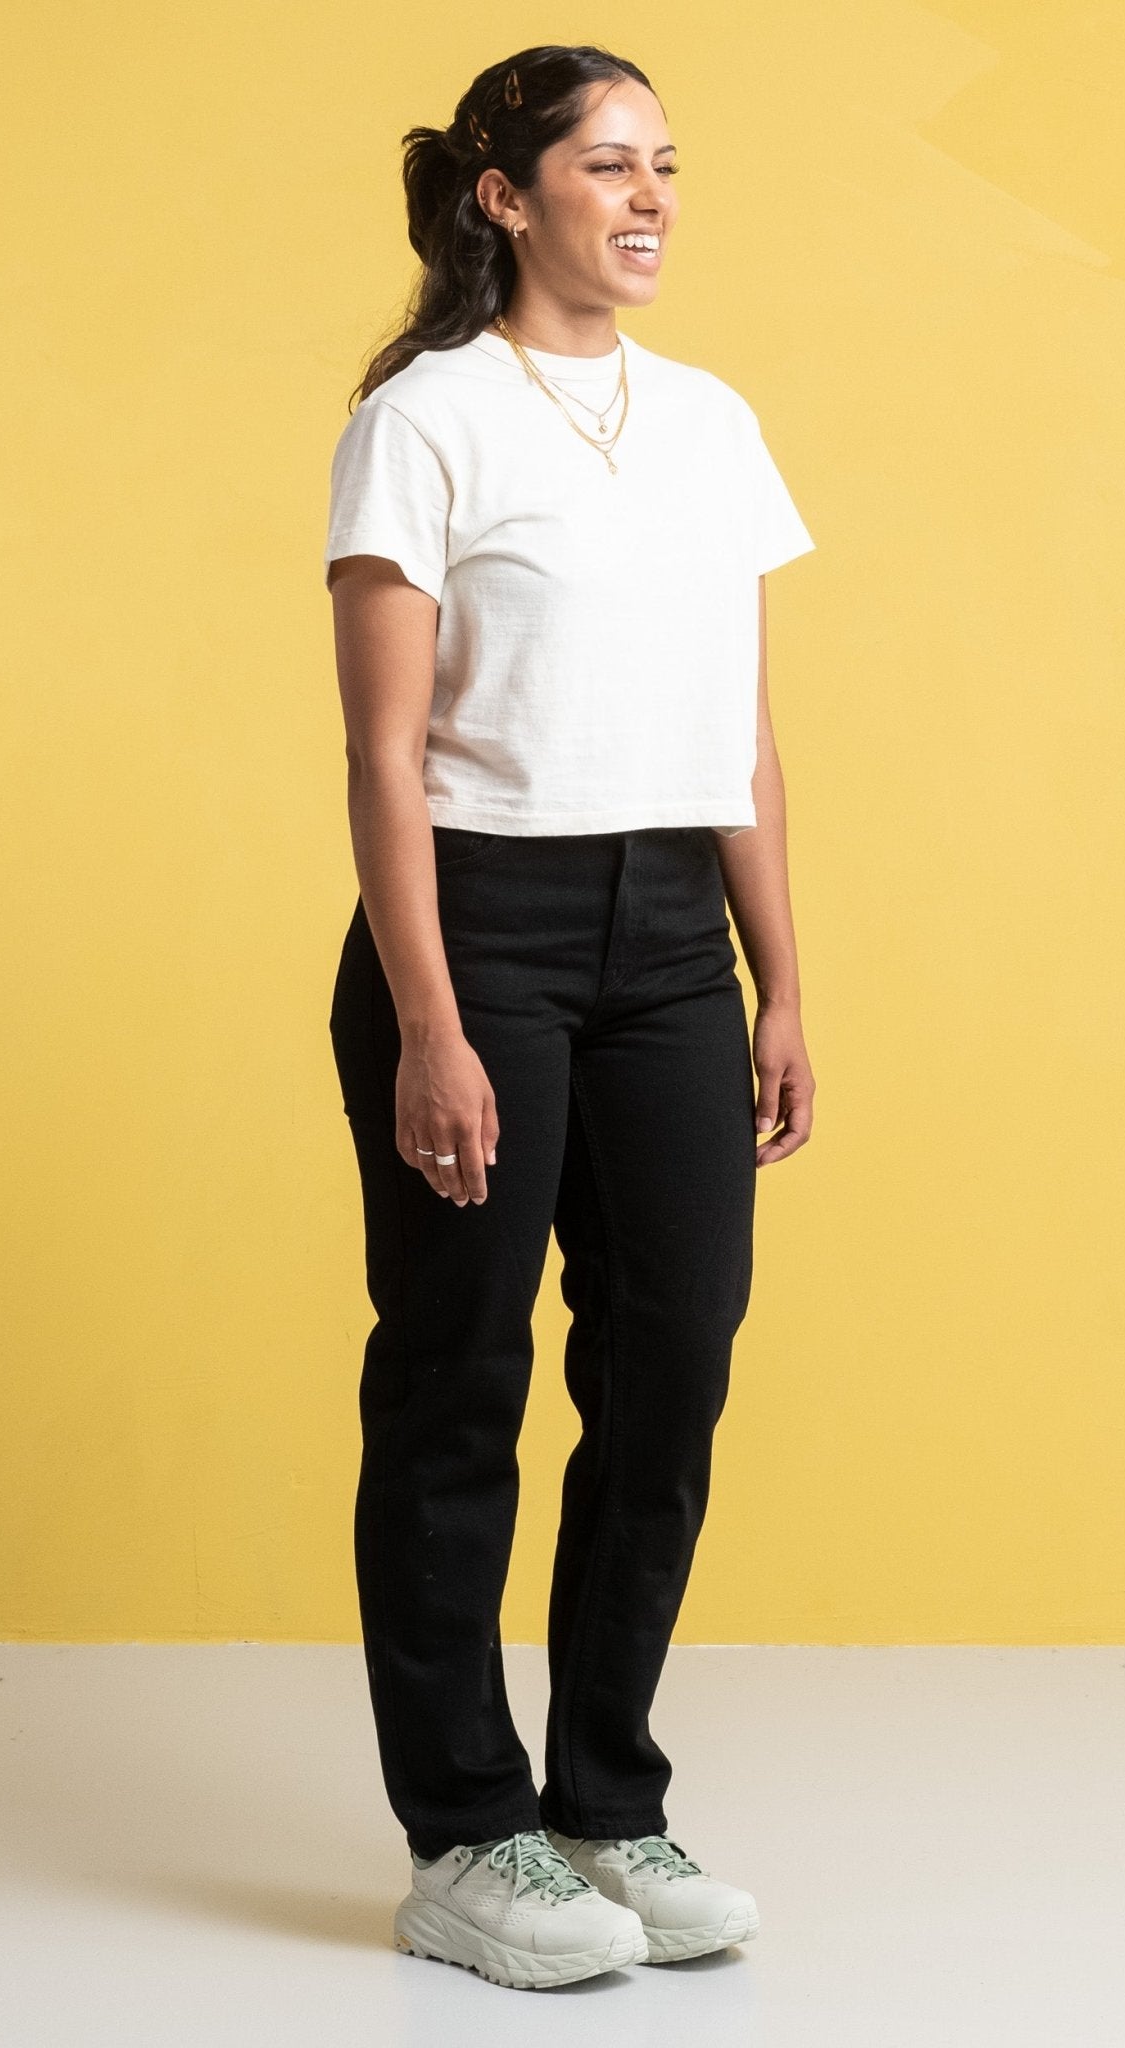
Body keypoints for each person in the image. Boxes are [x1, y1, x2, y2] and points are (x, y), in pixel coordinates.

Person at [324, 43, 817, 1992]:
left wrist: (782, 982)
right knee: (458, 1377)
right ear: (503, 195)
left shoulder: (710, 423)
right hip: (481, 928)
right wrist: (429, 1023)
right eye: (608, 165)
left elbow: (740, 736)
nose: (650, 198)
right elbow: (382, 753)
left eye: (666, 165)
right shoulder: (423, 420)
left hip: (672, 944)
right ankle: (466, 1831)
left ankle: (606, 1798)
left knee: (673, 1360)